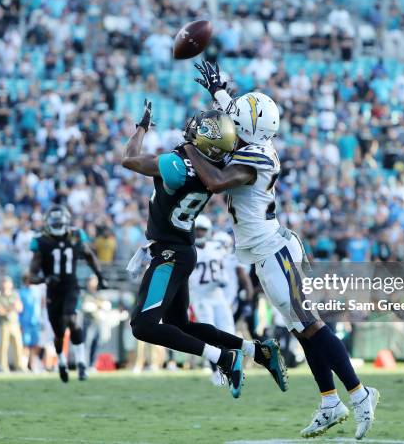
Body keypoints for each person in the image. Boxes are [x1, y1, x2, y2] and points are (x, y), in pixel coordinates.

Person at [187, 61, 380, 439]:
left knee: (311, 326)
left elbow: (214, 181)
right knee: (301, 329)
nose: (229, 126)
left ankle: (360, 395)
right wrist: (218, 89)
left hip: (273, 251)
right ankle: (329, 403)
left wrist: (193, 146)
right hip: (266, 251)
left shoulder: (254, 158)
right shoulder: (258, 140)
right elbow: (235, 116)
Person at [121, 101, 287, 398]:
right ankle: (256, 350)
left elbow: (129, 158)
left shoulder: (176, 165)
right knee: (179, 323)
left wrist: (142, 127)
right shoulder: (217, 165)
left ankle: (225, 358)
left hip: (170, 254)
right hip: (182, 249)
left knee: (143, 326)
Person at [28, 204, 108, 382]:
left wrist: (100, 276)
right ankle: (62, 362)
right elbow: (30, 276)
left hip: (71, 285)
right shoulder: (41, 241)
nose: (57, 227)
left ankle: (81, 364)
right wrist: (45, 279)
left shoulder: (76, 235)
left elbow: (88, 256)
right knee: (58, 333)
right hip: (52, 290)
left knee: (71, 319)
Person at [189, 215, 237, 386]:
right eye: (197, 229)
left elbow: (231, 257)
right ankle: (216, 372)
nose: (199, 232)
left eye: (202, 229)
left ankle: (230, 370)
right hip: (201, 298)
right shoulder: (189, 250)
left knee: (229, 333)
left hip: (218, 295)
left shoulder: (217, 246)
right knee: (210, 337)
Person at [0, 276, 24, 372]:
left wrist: (9, 308)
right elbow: (0, 311)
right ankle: (3, 366)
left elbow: (19, 308)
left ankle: (20, 365)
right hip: (4, 324)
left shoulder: (15, 295)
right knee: (3, 346)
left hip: (14, 323)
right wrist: (11, 308)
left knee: (18, 345)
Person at [18, 274, 44, 372]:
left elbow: (41, 304)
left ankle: (32, 365)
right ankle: (24, 366)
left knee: (34, 345)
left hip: (35, 322)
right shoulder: (21, 293)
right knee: (25, 345)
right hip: (25, 322)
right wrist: (19, 323)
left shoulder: (36, 292)